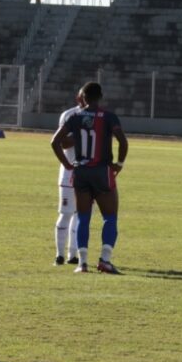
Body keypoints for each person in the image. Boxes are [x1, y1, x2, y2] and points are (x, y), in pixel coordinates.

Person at [50, 82, 129, 275]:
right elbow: (123, 141)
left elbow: (55, 142)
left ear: (82, 97)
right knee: (110, 217)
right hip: (101, 171)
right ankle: (105, 261)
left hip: (81, 172)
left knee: (82, 217)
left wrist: (68, 164)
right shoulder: (109, 117)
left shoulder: (74, 117)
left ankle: (82, 263)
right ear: (100, 97)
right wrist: (119, 164)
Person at [53, 94, 85, 265]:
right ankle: (59, 255)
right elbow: (63, 143)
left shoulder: (98, 116)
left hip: (88, 173)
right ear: (78, 98)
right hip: (69, 173)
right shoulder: (69, 115)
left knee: (80, 215)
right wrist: (83, 134)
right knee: (66, 213)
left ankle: (73, 255)